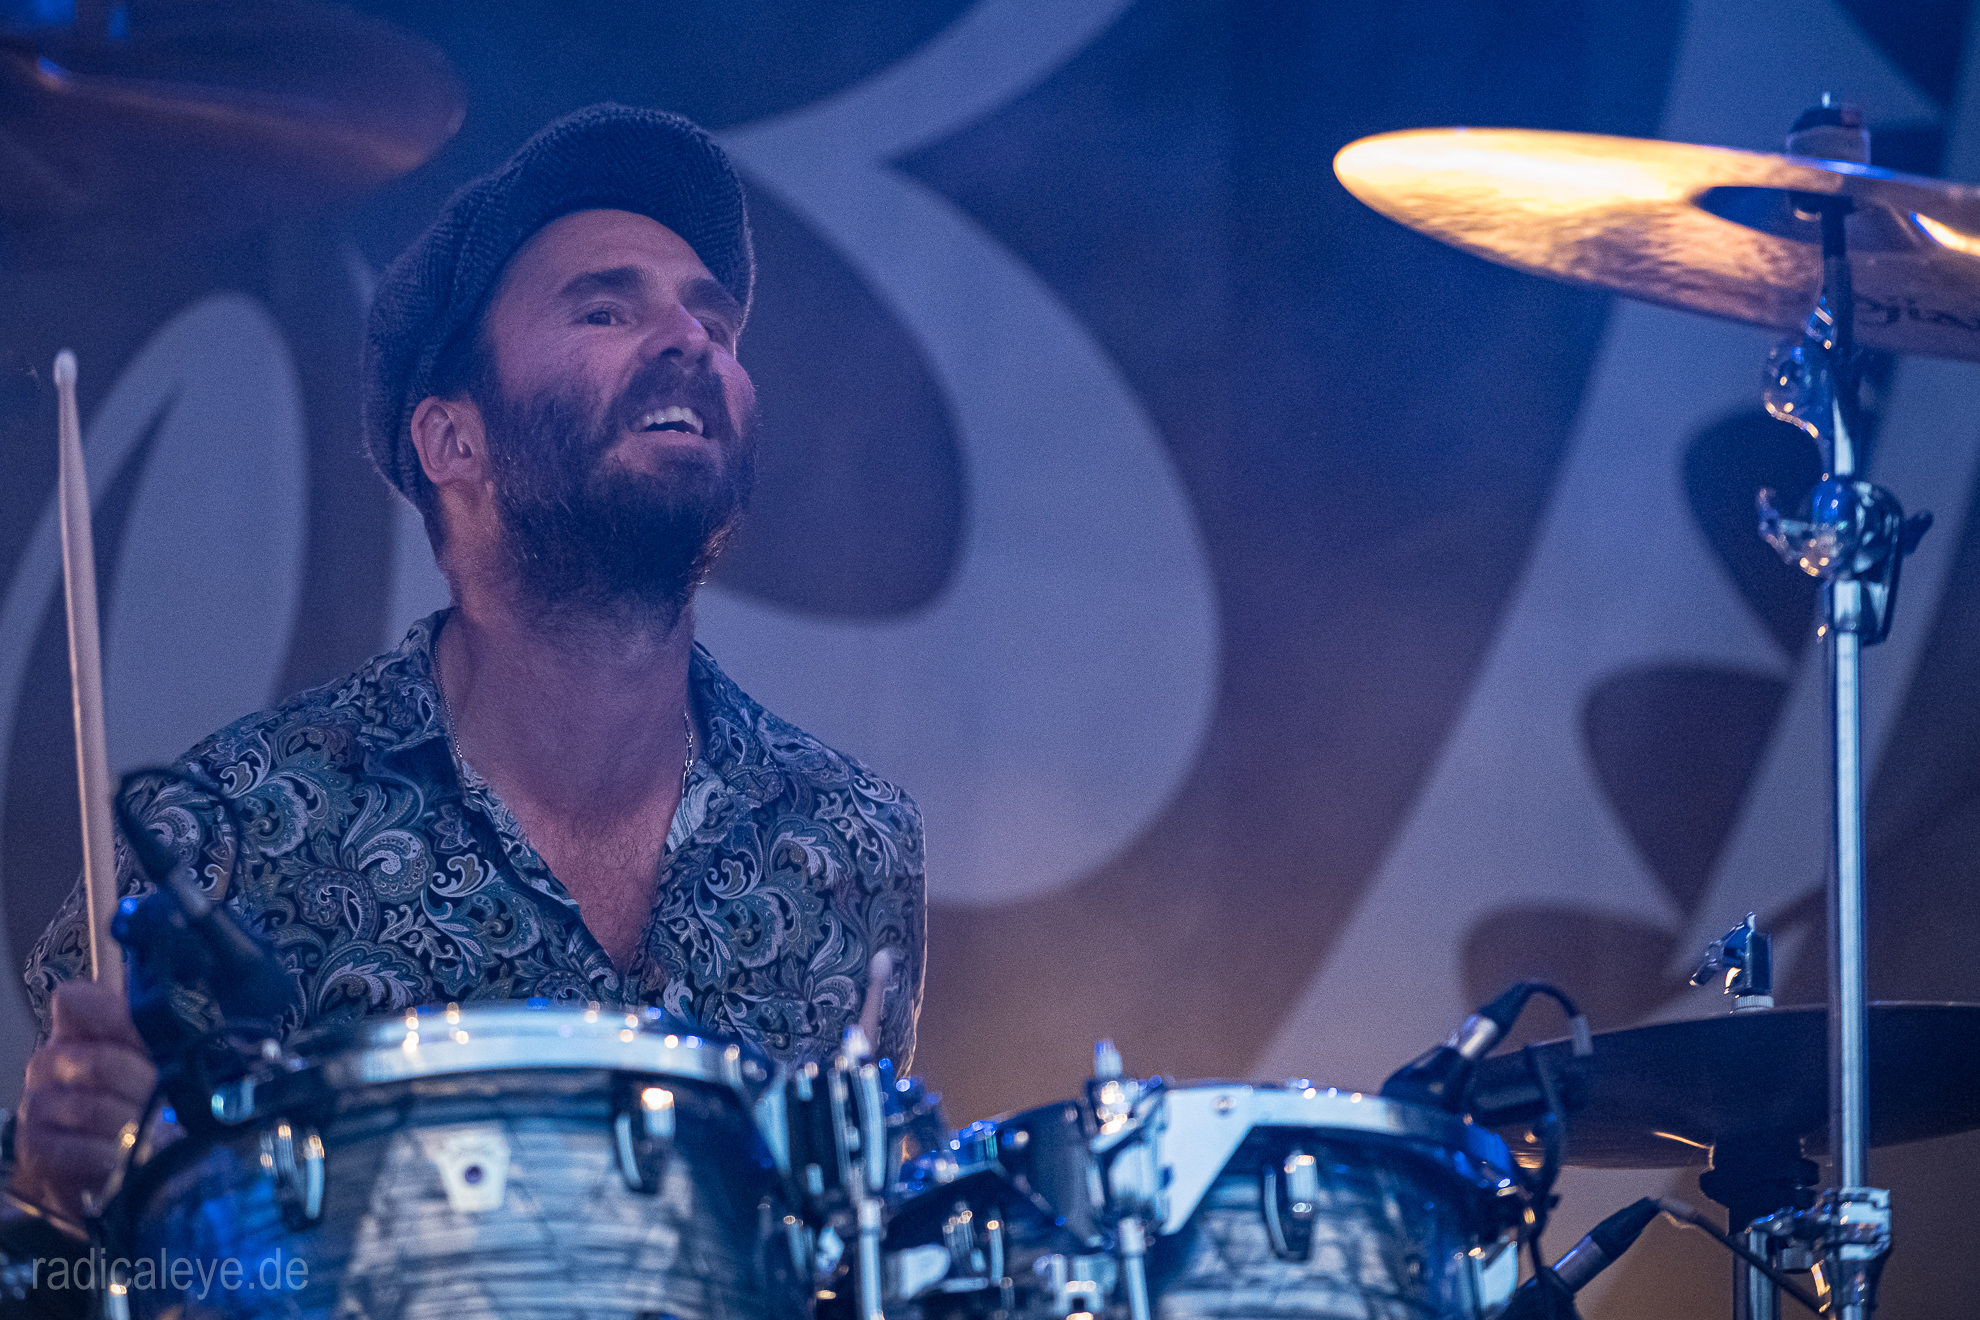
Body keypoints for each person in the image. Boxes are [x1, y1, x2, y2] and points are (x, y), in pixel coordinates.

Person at [3, 104, 926, 1243]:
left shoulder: (853, 842)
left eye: (715, 321)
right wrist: (67, 1191)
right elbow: (105, 1240)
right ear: (455, 442)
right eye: (605, 308)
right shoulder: (222, 839)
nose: (693, 339)